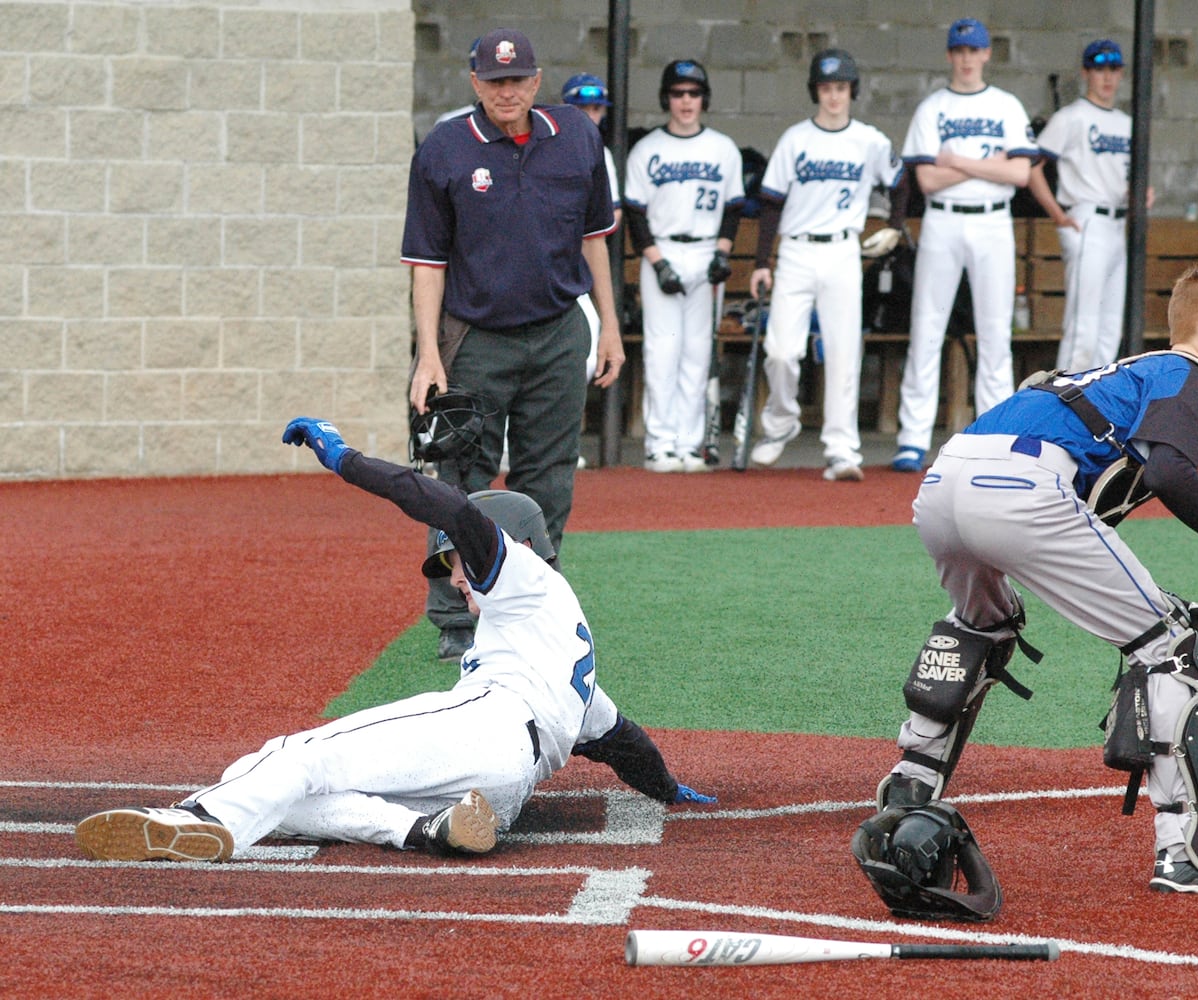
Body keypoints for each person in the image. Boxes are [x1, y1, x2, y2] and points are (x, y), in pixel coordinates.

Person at [860, 257, 1198, 906]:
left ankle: (907, 796)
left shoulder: (1123, 371)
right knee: (1172, 647)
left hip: (945, 480)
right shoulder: (1193, 377)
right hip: (1025, 491)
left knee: (984, 626)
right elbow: (1170, 475)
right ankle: (1188, 853)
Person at [73, 417, 713, 864]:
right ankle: (422, 830)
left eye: (457, 563)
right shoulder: (562, 645)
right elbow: (621, 739)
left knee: (296, 756)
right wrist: (666, 789)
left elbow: (455, 511)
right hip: (503, 792)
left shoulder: (525, 578)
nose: (456, 577)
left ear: (514, 544)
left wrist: (345, 460)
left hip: (483, 728)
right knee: (275, 787)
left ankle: (196, 819)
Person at [401, 28, 626, 660]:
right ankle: (454, 615)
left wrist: (608, 324)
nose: (508, 91)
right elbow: (426, 262)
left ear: (537, 80)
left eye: (519, 80)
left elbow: (595, 240)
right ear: (475, 82)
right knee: (461, 477)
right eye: (495, 81)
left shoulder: (578, 135)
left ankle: (533, 605)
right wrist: (429, 355)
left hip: (558, 330)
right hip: (476, 336)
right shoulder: (445, 148)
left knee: (548, 478)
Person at [746, 48, 907, 481]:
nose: (833, 96)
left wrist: (895, 226)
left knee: (842, 351)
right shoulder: (796, 139)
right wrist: (763, 261)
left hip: (842, 250)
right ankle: (780, 424)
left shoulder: (869, 140)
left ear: (851, 91)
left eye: (840, 88)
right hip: (797, 250)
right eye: (826, 88)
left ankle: (841, 449)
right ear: (815, 91)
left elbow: (901, 180)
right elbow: (771, 203)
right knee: (781, 351)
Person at [891, 18, 1038, 474]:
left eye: (974, 50)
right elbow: (927, 180)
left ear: (987, 54)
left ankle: (997, 436)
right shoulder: (932, 108)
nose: (967, 58)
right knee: (927, 329)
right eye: (960, 51)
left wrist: (957, 159)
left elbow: (1019, 174)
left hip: (993, 221)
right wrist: (985, 164)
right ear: (950, 55)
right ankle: (912, 438)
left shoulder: (1007, 105)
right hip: (944, 221)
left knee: (996, 333)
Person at [624, 60, 745, 473]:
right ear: (667, 99)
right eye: (678, 93)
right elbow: (636, 215)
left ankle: (690, 444)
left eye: (693, 93)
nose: (686, 101)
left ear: (703, 98)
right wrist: (658, 264)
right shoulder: (648, 150)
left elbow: (733, 208)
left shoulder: (723, 148)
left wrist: (723, 255)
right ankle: (660, 443)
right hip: (664, 251)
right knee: (663, 350)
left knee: (697, 351)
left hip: (706, 253)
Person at [1026, 39, 1152, 373]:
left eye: (1113, 69)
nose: (1107, 77)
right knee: (1084, 325)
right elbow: (1032, 167)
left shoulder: (1127, 122)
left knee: (1109, 327)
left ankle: (1097, 405)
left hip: (1117, 221)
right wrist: (1057, 214)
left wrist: (1141, 192)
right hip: (1086, 218)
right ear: (1086, 73)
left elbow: (1128, 176)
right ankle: (1066, 402)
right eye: (1099, 69)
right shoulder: (1072, 117)